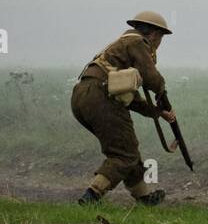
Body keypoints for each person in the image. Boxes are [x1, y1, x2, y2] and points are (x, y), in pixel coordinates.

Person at [71, 11, 176, 205]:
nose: (160, 42)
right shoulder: (138, 43)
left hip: (83, 96)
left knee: (127, 147)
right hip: (101, 98)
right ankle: (91, 196)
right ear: (153, 34)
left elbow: (131, 99)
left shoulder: (121, 47)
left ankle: (144, 198)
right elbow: (152, 77)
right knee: (124, 154)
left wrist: (157, 112)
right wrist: (161, 91)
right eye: (161, 37)